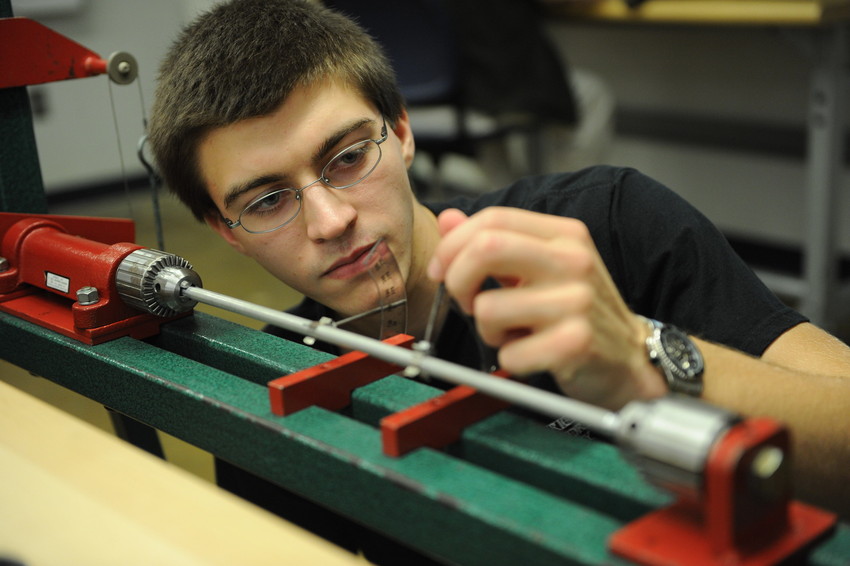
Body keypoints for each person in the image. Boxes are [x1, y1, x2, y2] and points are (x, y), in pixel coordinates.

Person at [149, 0, 850, 549]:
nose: (331, 221)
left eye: (348, 157)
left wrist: (650, 359)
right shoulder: (283, 393)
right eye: (268, 201)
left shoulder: (610, 224)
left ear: (400, 129)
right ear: (222, 233)